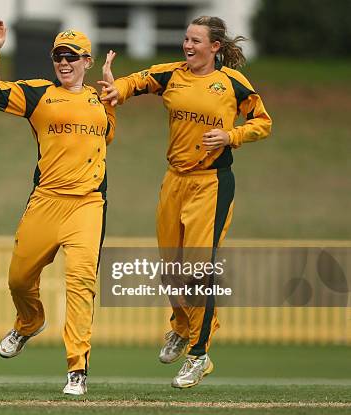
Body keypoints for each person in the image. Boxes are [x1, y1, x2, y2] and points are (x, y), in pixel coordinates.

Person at [100, 16, 272, 388]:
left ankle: (199, 354)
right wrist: (118, 90)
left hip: (211, 182)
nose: (188, 46)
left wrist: (231, 135)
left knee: (198, 270)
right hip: (174, 180)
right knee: (172, 270)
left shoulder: (232, 83)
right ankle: (180, 326)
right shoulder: (173, 74)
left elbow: (263, 121)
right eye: (186, 39)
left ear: (215, 47)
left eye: (196, 40)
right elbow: (141, 79)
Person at [0, 21, 115, 395]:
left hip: (87, 204)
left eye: (71, 56)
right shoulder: (38, 94)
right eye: (57, 56)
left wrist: (113, 93)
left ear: (87, 60)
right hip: (46, 202)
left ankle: (77, 371)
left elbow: (105, 138)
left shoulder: (100, 101)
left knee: (81, 284)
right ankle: (29, 322)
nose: (63, 62)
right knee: (18, 279)